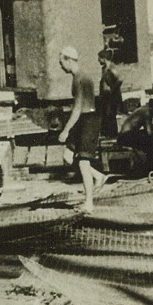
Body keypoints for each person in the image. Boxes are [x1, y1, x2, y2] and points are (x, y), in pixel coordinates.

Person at [57, 46, 108, 212]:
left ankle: (89, 203)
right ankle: (98, 176)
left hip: (88, 121)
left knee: (83, 163)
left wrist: (65, 130)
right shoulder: (81, 76)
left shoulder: (80, 78)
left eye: (61, 62)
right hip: (85, 120)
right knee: (68, 155)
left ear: (68, 60)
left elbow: (78, 108)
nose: (61, 66)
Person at [116, 97, 153, 173]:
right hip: (125, 137)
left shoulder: (145, 110)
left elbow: (149, 130)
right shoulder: (147, 112)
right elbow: (150, 133)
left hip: (126, 135)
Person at [98, 48, 123, 138]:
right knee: (106, 115)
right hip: (106, 96)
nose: (98, 60)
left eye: (99, 58)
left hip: (111, 96)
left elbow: (120, 79)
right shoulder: (104, 68)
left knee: (110, 115)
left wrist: (113, 89)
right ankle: (108, 135)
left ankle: (113, 136)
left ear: (104, 58)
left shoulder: (111, 68)